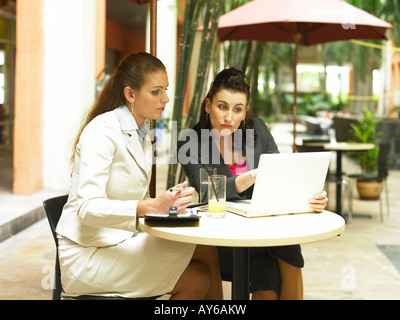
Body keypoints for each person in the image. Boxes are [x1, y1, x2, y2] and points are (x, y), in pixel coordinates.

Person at [56, 52, 222, 300]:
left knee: (202, 258)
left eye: (165, 90)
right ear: (130, 94)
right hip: (88, 256)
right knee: (198, 272)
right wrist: (150, 206)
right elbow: (87, 207)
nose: (165, 98)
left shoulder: (141, 132)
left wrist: (168, 204)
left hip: (119, 241)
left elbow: (134, 198)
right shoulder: (102, 132)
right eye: (156, 92)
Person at [178, 67, 328, 300]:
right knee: (276, 256)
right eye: (222, 107)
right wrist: (249, 177)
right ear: (208, 106)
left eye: (237, 109)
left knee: (281, 256)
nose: (229, 118)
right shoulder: (191, 142)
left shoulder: (257, 130)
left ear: (244, 112)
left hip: (263, 235)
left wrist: (311, 197)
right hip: (221, 239)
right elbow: (207, 190)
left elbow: (285, 178)